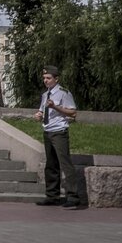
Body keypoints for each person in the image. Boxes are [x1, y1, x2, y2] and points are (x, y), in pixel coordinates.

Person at [36, 65, 85, 209]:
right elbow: (42, 111)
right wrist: (38, 115)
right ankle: (52, 196)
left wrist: (56, 107)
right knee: (51, 165)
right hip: (47, 131)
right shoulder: (45, 95)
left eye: (48, 78)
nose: (46, 81)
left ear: (56, 79)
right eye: (44, 78)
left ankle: (73, 197)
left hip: (59, 132)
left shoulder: (64, 93)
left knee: (65, 164)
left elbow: (73, 113)